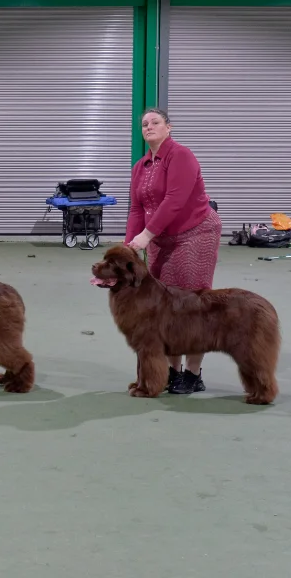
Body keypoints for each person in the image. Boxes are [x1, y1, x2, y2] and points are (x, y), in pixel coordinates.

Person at [124, 107, 222, 395]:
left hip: (195, 233)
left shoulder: (181, 156)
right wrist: (129, 248)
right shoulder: (140, 167)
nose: (149, 127)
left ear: (169, 127)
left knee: (190, 305)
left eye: (155, 122)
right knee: (163, 306)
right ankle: (171, 372)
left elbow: (175, 201)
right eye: (144, 124)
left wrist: (145, 236)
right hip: (160, 239)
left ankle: (193, 375)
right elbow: (136, 209)